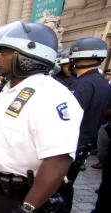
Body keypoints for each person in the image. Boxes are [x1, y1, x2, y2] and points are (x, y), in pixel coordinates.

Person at [0, 21, 84, 213]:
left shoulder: (52, 95)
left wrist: (28, 207)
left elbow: (58, 160)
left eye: (4, 52)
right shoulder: (4, 90)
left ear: (28, 56)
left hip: (15, 196)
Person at [58, 37, 111, 213]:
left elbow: (66, 118)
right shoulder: (103, 83)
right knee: (67, 185)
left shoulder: (82, 85)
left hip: (70, 144)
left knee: (58, 188)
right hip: (86, 143)